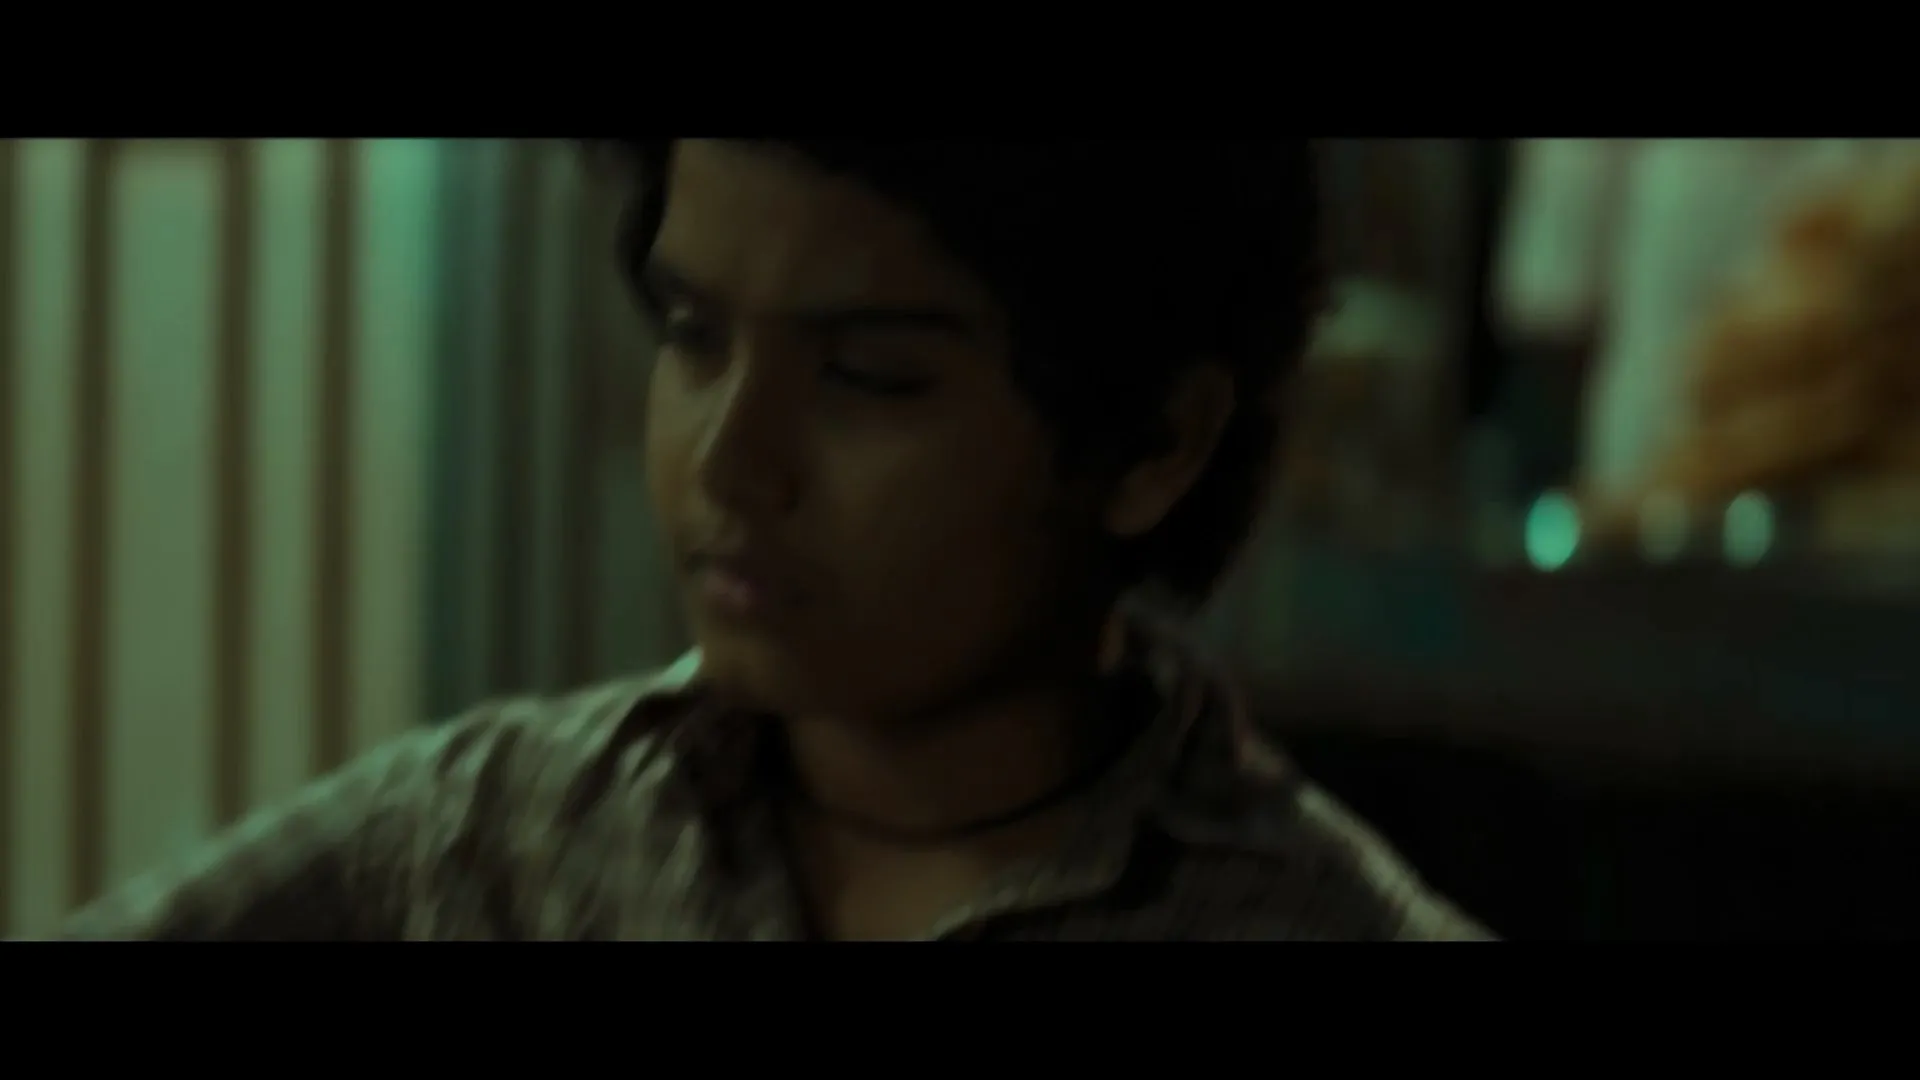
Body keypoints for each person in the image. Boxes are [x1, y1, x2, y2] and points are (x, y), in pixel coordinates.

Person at [57, 139, 1487, 941]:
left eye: (867, 377)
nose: (731, 459)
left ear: (1154, 441)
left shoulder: (1304, 927)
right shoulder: (495, 844)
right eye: (693, 336)